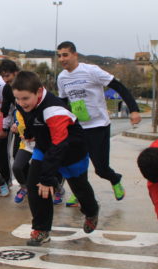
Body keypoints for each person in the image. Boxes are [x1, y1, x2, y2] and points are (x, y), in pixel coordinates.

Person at [13, 71, 100, 246]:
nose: (21, 103)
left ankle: (92, 211)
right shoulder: (27, 102)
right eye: (18, 99)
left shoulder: (54, 110)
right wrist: (29, 133)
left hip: (71, 153)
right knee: (34, 186)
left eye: (25, 99)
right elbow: (31, 119)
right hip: (45, 149)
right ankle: (42, 230)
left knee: (80, 190)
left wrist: (47, 179)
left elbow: (59, 145)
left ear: (38, 91)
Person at [56, 41, 141, 205]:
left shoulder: (91, 71)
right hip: (77, 127)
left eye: (65, 55)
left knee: (101, 169)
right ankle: (81, 193)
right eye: (59, 56)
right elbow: (63, 101)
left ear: (75, 55)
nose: (62, 59)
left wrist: (134, 109)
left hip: (98, 126)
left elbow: (118, 87)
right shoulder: (62, 77)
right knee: (77, 165)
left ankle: (115, 179)